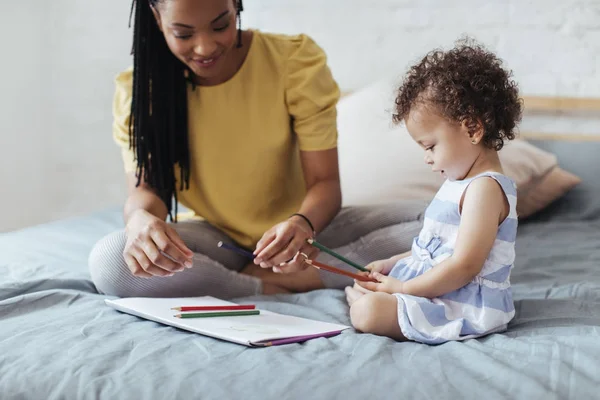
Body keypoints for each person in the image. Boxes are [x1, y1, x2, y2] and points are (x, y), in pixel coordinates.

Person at [89, 0, 427, 298]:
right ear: (156, 18)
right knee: (111, 261)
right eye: (183, 34)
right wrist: (139, 221)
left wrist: (302, 225)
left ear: (236, 5)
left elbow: (324, 183)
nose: (205, 47)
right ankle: (261, 285)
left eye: (220, 25)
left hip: (303, 231)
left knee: (460, 219)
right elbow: (146, 191)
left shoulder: (293, 62)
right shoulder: (140, 91)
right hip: (214, 238)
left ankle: (303, 275)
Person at [345, 39, 523, 344]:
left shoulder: (485, 189)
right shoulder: (459, 182)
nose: (427, 158)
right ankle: (369, 302)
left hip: (461, 302)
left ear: (472, 129)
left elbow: (463, 266)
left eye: (430, 146)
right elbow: (439, 250)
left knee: (368, 311)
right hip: (443, 287)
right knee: (367, 290)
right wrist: (390, 265)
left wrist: (400, 289)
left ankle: (369, 307)